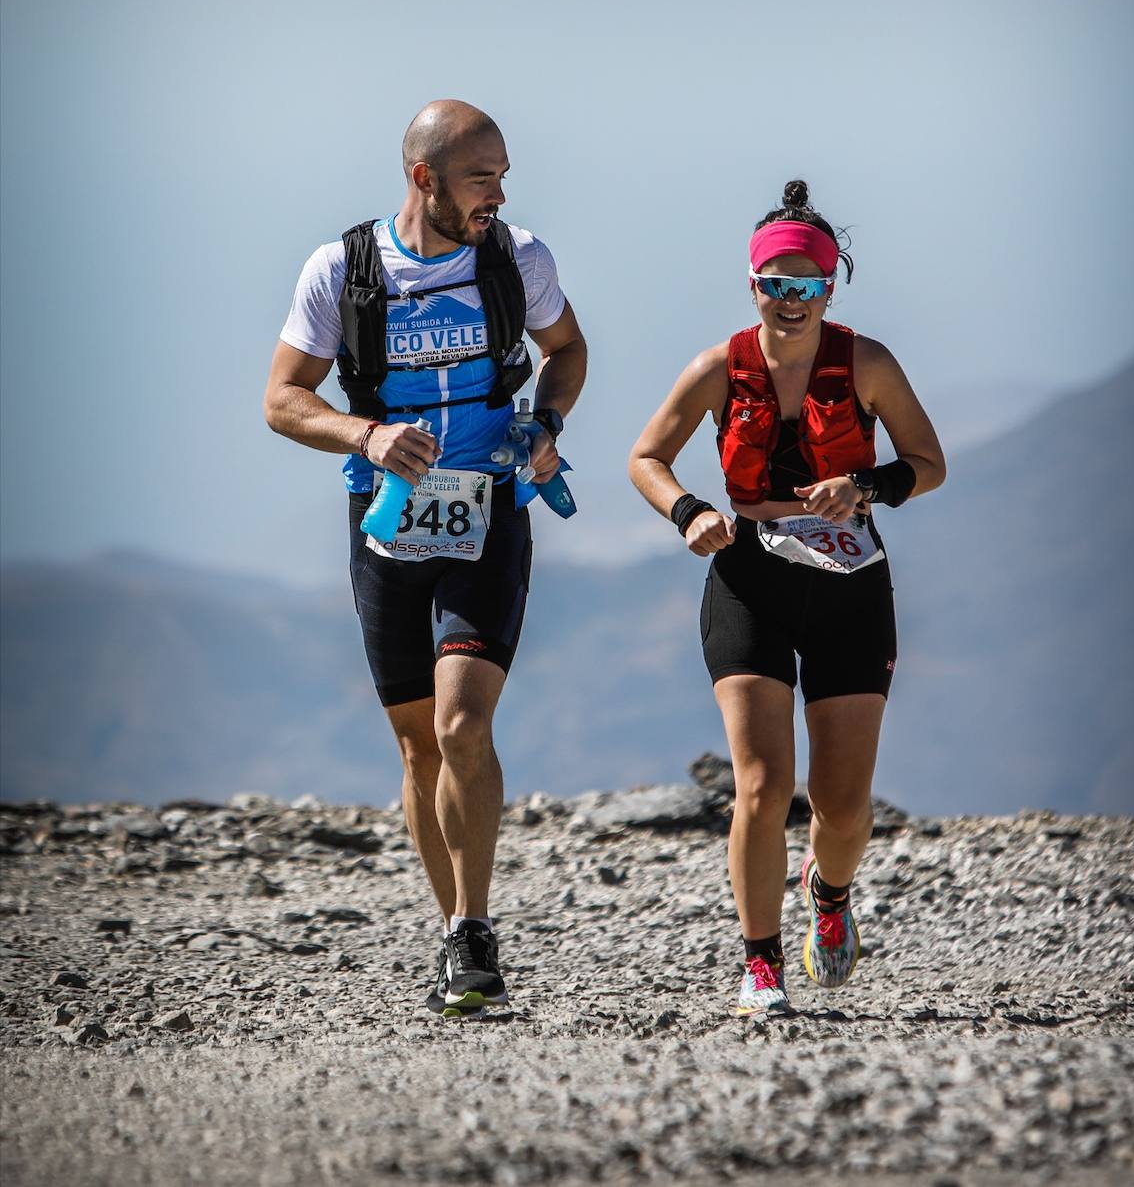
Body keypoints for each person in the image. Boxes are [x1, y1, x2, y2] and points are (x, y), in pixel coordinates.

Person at [264, 100, 587, 1015]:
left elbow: (568, 352)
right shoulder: (342, 269)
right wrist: (363, 435)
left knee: (459, 726)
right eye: (483, 176)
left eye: (503, 173)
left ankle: (473, 926)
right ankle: (453, 933)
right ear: (425, 179)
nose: (500, 192)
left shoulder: (519, 260)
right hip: (384, 521)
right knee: (416, 748)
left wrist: (546, 425)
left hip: (487, 511)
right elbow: (283, 399)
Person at [628, 180, 944, 1015]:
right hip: (749, 576)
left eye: (808, 286)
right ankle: (759, 962)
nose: (792, 300)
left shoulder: (866, 363)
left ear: (829, 289)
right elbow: (645, 458)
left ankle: (830, 893)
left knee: (841, 807)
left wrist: (868, 484)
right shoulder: (717, 368)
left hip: (848, 583)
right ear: (753, 285)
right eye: (777, 284)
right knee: (763, 788)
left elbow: (929, 462)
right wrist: (688, 511)